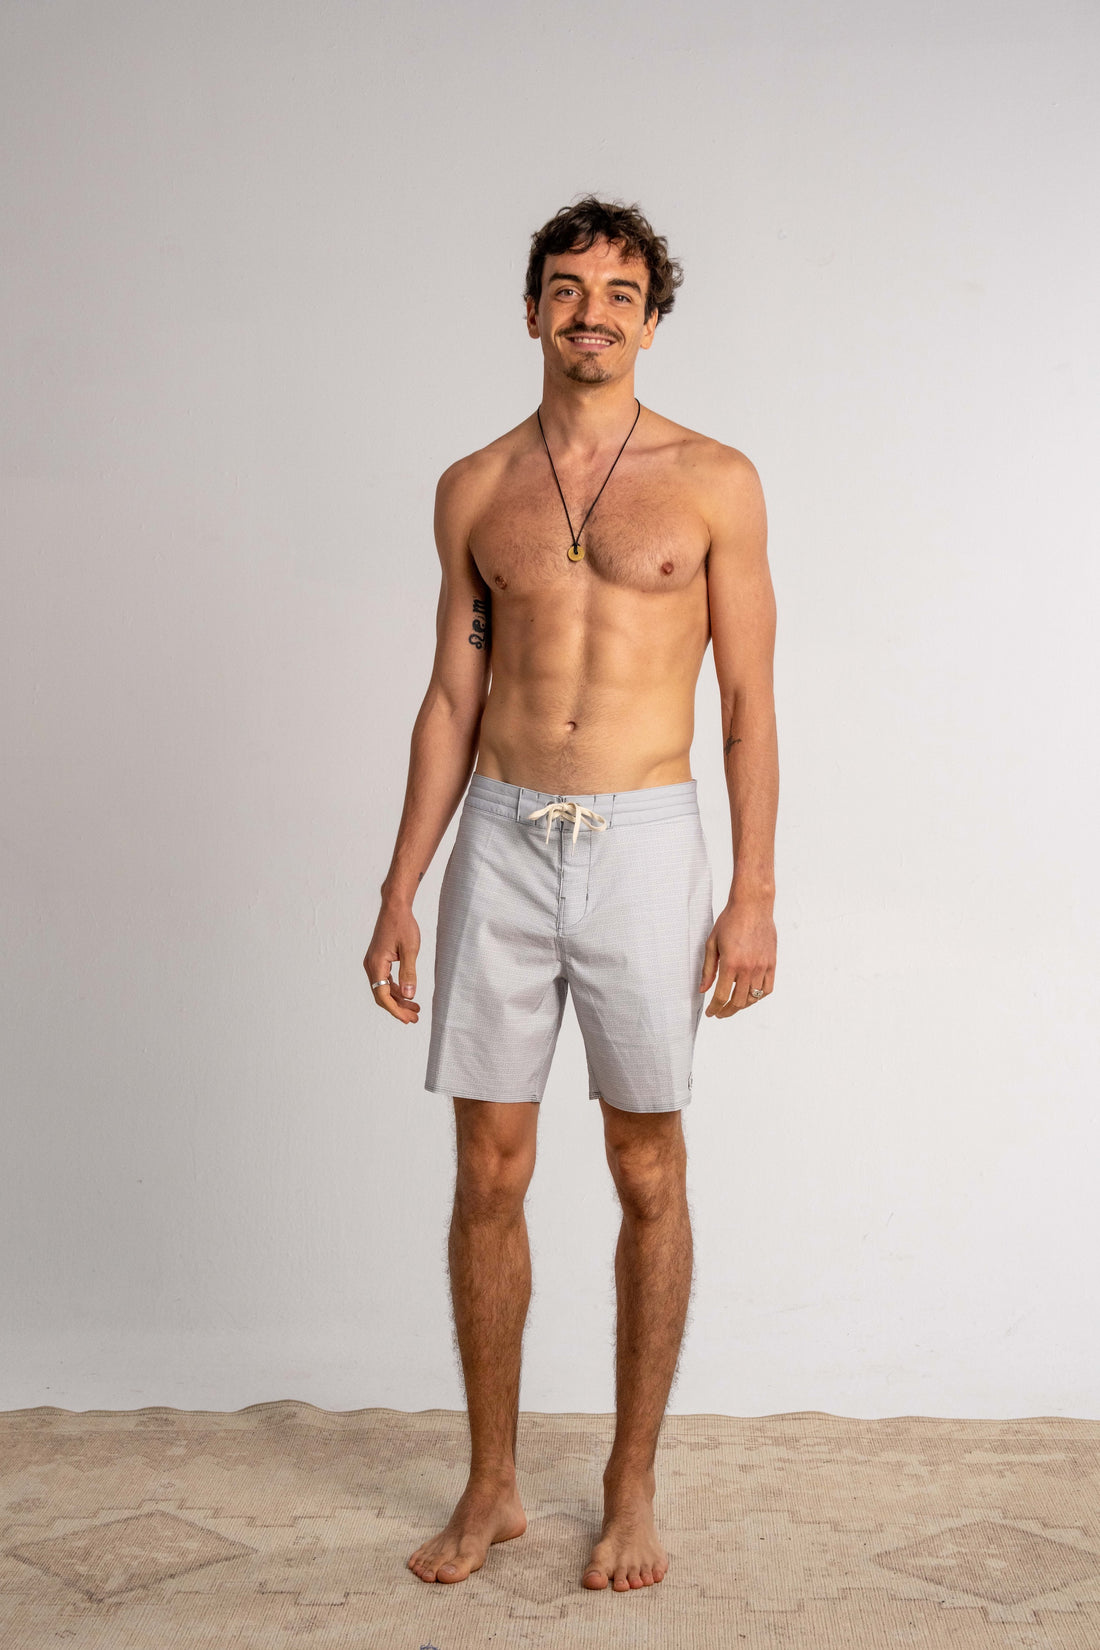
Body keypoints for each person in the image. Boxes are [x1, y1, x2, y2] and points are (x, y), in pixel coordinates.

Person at [364, 195, 778, 1594]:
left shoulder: (715, 480)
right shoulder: (475, 487)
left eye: (618, 293)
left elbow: (750, 704)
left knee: (647, 1164)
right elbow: (450, 696)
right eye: (566, 288)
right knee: (488, 1166)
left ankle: (629, 1484)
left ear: (651, 321)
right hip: (500, 833)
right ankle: (491, 1483)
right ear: (532, 308)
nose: (590, 312)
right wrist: (400, 886)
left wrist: (753, 889)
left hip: (648, 841)